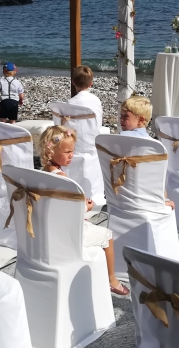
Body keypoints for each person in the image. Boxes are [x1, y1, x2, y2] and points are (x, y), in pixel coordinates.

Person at [40, 125, 129, 295]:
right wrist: (86, 206)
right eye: (67, 152)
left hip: (51, 230)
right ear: (51, 151)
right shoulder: (62, 178)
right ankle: (112, 279)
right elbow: (72, 212)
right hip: (69, 234)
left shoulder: (44, 172)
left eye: (72, 151)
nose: (71, 155)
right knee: (108, 236)